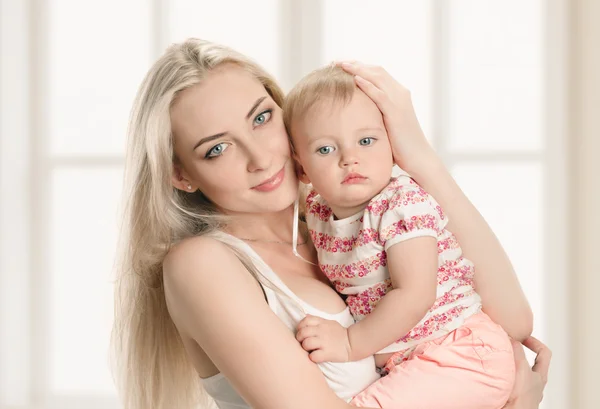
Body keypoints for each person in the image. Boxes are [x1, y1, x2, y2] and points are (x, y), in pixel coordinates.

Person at [111, 38, 550, 409]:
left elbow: (512, 324)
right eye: (217, 149)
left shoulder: (338, 221)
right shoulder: (202, 266)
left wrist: (417, 157)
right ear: (181, 174)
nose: (261, 159)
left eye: (262, 119)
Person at [283, 66, 514, 408]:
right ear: (302, 169)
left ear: (391, 146)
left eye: (366, 141)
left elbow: (414, 294)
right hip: (413, 361)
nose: (350, 158)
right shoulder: (316, 211)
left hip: (460, 353)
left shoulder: (402, 204)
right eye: (326, 150)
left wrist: (349, 342)